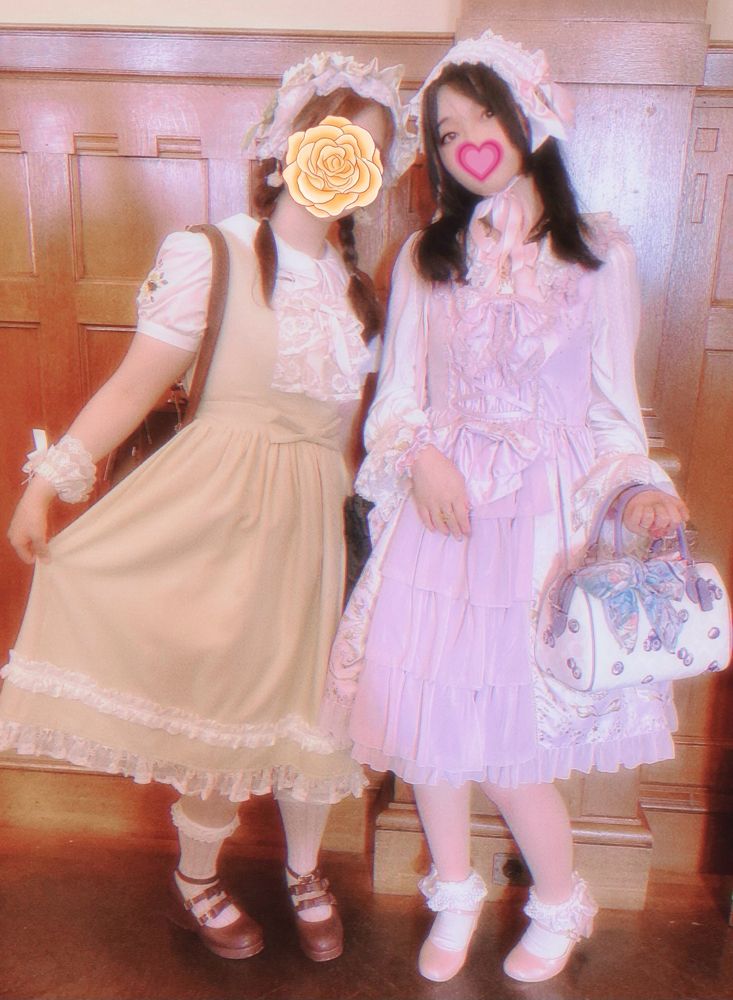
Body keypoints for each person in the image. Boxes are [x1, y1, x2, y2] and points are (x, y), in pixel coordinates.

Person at [1, 52, 415, 963]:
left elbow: (365, 432)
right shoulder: (211, 253)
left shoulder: (356, 290)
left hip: (318, 524)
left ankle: (304, 869)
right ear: (289, 144)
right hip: (220, 511)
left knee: (317, 702)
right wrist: (46, 483)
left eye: (373, 152)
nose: (351, 162)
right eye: (338, 139)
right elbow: (131, 388)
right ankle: (196, 877)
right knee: (219, 701)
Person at [322, 30, 689, 984]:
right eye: (446, 132)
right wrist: (421, 459)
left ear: (527, 115)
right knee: (424, 726)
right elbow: (395, 401)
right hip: (440, 520)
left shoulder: (598, 254)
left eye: (482, 115)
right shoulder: (424, 257)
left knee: (511, 745)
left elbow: (611, 412)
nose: (467, 142)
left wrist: (640, 491)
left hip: (539, 528)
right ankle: (453, 890)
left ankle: (558, 900)